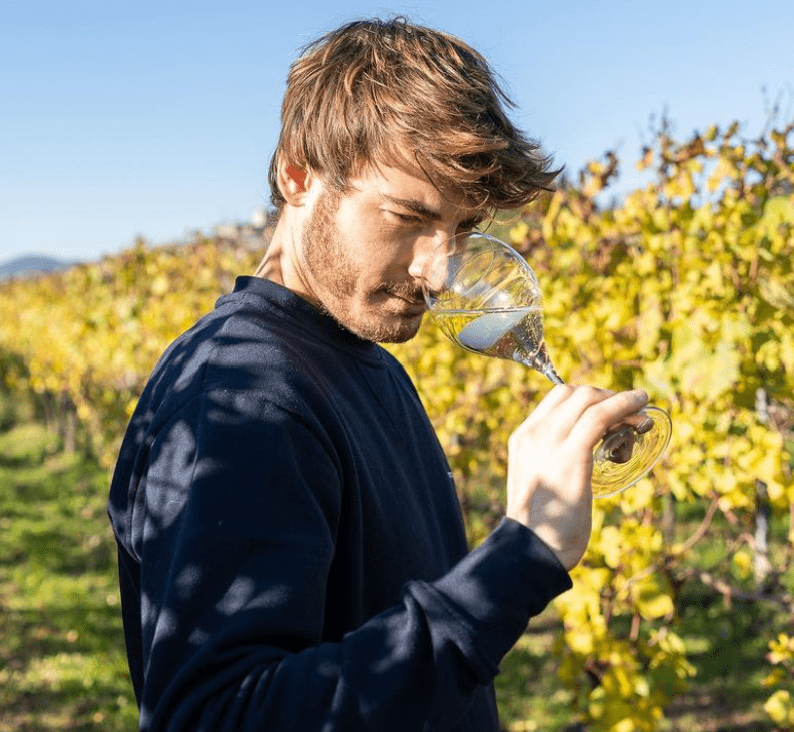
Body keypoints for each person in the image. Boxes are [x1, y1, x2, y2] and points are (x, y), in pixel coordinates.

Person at [108, 16, 648, 731]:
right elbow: (216, 716)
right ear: (297, 173)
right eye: (408, 216)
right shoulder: (242, 396)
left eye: (461, 229)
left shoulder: (364, 365)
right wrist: (521, 557)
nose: (438, 269)